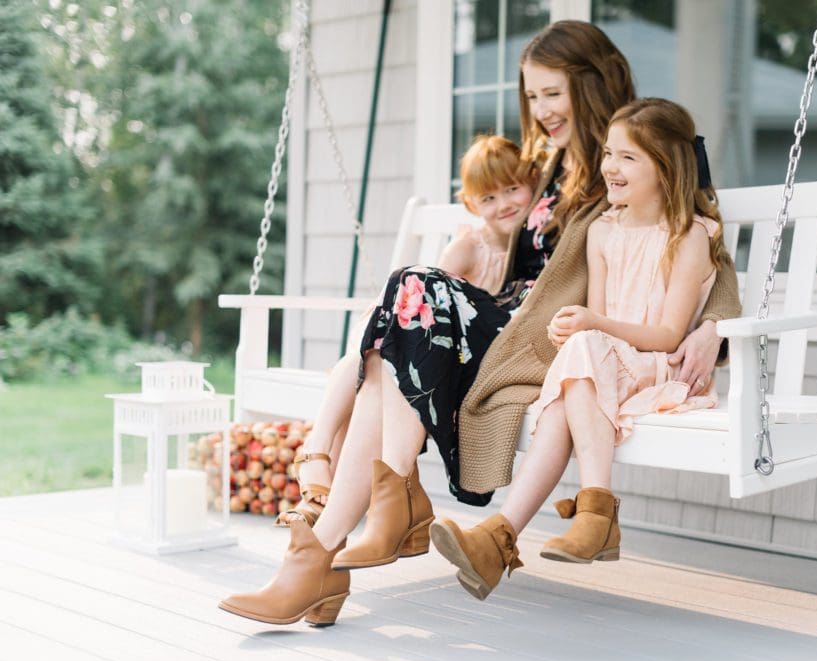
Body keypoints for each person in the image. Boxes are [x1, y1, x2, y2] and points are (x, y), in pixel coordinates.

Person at [218, 20, 741, 627]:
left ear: (592, 85)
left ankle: (347, 539)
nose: (541, 110)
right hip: (505, 317)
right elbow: (497, 233)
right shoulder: (546, 163)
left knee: (408, 298)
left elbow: (705, 241)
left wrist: (715, 328)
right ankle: (325, 558)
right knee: (391, 348)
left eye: (553, 93)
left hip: (547, 333)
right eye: (533, 96)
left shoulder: (637, 145)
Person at [431, 98, 726, 599]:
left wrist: (590, 329)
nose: (610, 166)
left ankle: (588, 511)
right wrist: (573, 330)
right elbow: (597, 319)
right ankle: (501, 537)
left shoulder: (689, 235)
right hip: (603, 367)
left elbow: (669, 335)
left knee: (582, 359)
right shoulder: (602, 231)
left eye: (628, 157)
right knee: (572, 379)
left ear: (666, 165)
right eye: (609, 153)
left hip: (658, 368)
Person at [273, 134, 536, 528]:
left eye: (513, 189)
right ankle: (318, 459)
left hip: (470, 362)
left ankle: (317, 478)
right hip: (440, 352)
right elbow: (431, 301)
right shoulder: (469, 247)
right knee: (376, 349)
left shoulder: (537, 248)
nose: (504, 204)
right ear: (471, 204)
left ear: (532, 182)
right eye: (489, 198)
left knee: (373, 352)